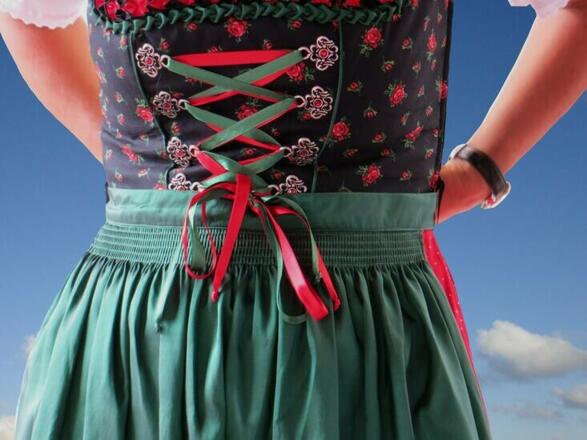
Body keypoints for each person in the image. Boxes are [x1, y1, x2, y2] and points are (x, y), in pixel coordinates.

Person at [1, 0, 585, 438]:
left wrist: (482, 169)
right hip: (144, 326)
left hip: (362, 316)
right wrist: (134, 159)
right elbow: (22, 16)